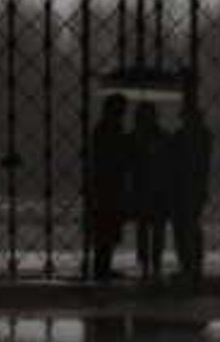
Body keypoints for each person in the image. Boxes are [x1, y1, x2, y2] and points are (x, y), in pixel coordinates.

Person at [163, 94, 213, 288]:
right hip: (192, 187)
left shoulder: (187, 136)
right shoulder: (202, 136)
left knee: (185, 228)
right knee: (189, 227)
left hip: (185, 187)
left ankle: (190, 266)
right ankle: (192, 266)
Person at [86, 93, 133, 282]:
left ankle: (103, 266)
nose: (123, 112)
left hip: (107, 183)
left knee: (106, 228)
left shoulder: (103, 128)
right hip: (109, 184)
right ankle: (102, 268)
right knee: (107, 228)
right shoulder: (109, 129)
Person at [129, 105, 172, 286]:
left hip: (148, 189)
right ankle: (151, 263)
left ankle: (150, 263)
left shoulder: (135, 138)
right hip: (152, 189)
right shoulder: (162, 137)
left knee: (148, 228)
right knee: (150, 229)